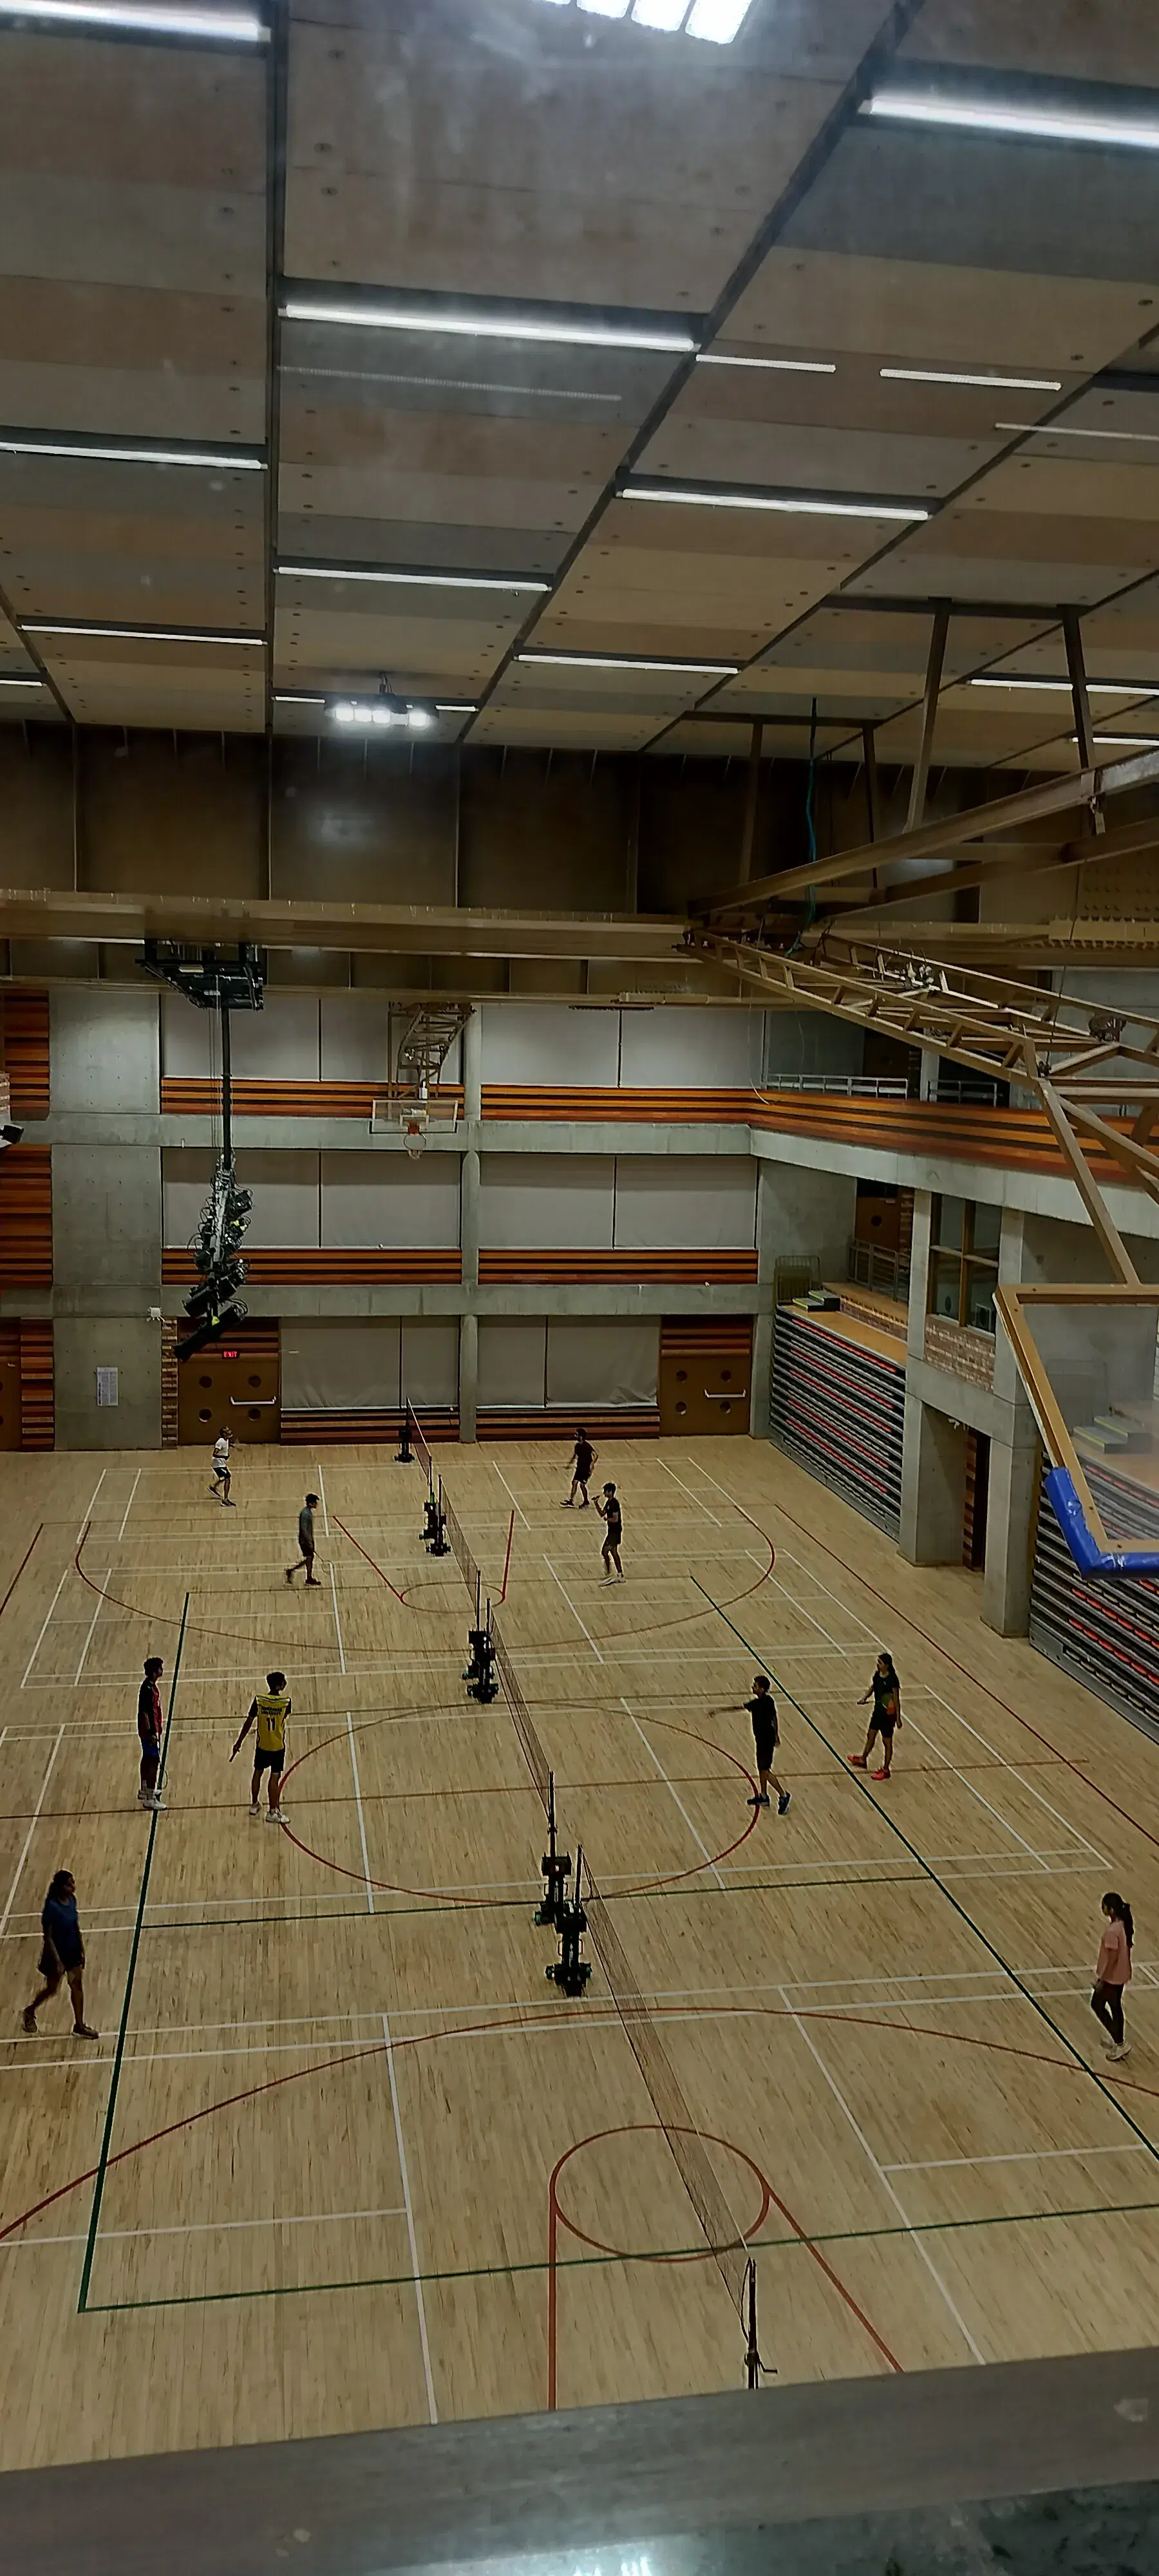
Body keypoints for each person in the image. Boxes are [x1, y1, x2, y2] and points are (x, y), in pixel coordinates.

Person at [22, 1871, 98, 2039]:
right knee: (52, 1989)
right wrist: (57, 1961)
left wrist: (82, 1949)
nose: (73, 1887)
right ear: (61, 1887)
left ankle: (79, 2026)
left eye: (73, 1882)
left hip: (73, 1950)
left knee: (77, 1987)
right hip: (56, 1954)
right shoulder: (52, 1907)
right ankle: (29, 2011)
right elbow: (48, 1937)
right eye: (69, 1884)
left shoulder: (72, 1900)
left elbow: (75, 1926)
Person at [712, 1674, 791, 1815]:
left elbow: (737, 1708)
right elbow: (774, 1717)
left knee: (765, 1770)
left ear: (762, 1689)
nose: (752, 1687)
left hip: (766, 1740)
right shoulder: (768, 1701)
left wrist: (719, 1710)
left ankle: (783, 1795)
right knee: (761, 1768)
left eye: (755, 1685)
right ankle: (764, 1797)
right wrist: (777, 1734)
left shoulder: (759, 1703)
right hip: (762, 1739)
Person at [231, 1669, 292, 1823]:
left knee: (258, 1773)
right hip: (277, 1746)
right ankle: (272, 1812)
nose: (285, 1683)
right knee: (274, 1777)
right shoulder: (286, 1702)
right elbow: (282, 1718)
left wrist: (239, 1742)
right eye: (283, 1682)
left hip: (262, 1745)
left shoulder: (259, 1701)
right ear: (278, 1687)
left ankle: (254, 1805)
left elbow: (249, 1722)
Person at [1091, 1891, 1133, 2062]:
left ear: (1111, 1909)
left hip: (1112, 1978)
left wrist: (1102, 1980)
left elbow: (1112, 1958)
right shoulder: (1123, 1924)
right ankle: (1118, 2040)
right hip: (1121, 1974)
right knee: (1115, 2007)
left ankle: (1120, 2042)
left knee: (1097, 2005)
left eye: (1104, 1906)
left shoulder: (1112, 1932)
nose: (1102, 1908)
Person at [850, 1651, 902, 1781]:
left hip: (888, 1715)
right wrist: (864, 1698)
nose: (878, 1664)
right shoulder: (878, 1675)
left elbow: (896, 1700)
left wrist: (898, 1718)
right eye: (878, 1662)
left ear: (887, 1665)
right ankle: (863, 1760)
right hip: (877, 1712)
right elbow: (873, 1687)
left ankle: (886, 1770)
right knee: (871, 1735)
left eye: (880, 1663)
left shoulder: (893, 1680)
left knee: (887, 1742)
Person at [137, 1654, 166, 1811]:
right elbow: (145, 1713)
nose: (162, 1670)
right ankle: (150, 1798)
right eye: (160, 1668)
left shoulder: (149, 1686)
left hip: (149, 1731)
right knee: (153, 1762)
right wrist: (152, 1734)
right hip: (149, 1733)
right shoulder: (148, 1690)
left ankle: (144, 1789)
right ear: (155, 1672)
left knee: (147, 1758)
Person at [285, 1493, 321, 1587]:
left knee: (310, 1558)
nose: (316, 1504)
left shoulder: (308, 1512)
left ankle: (301, 1574)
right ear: (310, 1503)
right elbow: (304, 1530)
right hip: (305, 1541)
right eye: (315, 1502)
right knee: (309, 1558)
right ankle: (305, 1577)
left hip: (307, 1540)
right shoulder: (305, 1514)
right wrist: (309, 1542)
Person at [596, 1481, 623, 1582]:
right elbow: (602, 1514)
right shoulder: (608, 1503)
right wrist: (596, 1504)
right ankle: (619, 1574)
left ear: (610, 1492)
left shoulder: (615, 1504)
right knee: (613, 1552)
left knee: (605, 1551)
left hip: (615, 1532)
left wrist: (608, 1519)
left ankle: (610, 1573)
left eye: (605, 1491)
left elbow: (616, 1519)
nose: (604, 1493)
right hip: (611, 1531)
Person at [563, 1428, 597, 1510]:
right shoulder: (577, 1446)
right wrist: (570, 1464)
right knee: (574, 1483)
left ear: (581, 1437)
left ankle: (586, 1502)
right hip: (579, 1468)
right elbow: (575, 1455)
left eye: (576, 1435)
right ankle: (571, 1501)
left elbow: (596, 1455)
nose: (575, 1436)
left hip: (586, 1469)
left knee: (582, 1485)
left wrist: (592, 1464)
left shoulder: (587, 1446)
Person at [210, 1426, 235, 1508]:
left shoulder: (226, 1440)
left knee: (224, 1477)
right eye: (228, 1431)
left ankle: (213, 1487)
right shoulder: (220, 1442)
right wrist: (224, 1457)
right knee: (227, 1478)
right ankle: (225, 1500)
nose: (230, 1431)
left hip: (221, 1464)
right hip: (218, 1465)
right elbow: (214, 1454)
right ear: (224, 1434)